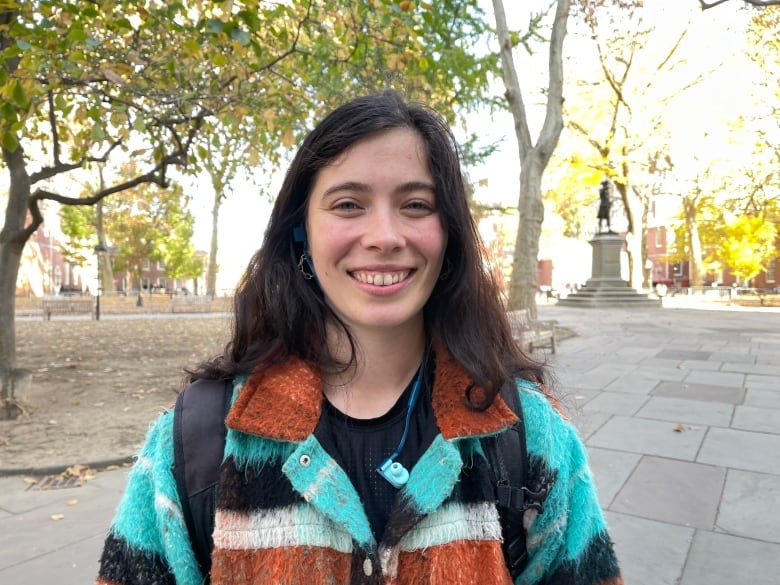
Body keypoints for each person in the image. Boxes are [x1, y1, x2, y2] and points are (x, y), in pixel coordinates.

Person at [96, 90, 623, 585]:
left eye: (415, 204)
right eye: (348, 204)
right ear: (300, 230)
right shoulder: (194, 442)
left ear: (449, 234)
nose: (385, 237)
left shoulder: (530, 435)